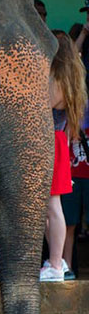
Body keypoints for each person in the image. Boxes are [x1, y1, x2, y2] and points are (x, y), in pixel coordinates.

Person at [52, 30, 89, 281]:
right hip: (65, 151)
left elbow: (50, 103)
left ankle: (56, 264)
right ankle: (60, 262)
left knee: (54, 209)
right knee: (58, 212)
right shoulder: (73, 78)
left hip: (60, 148)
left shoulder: (60, 82)